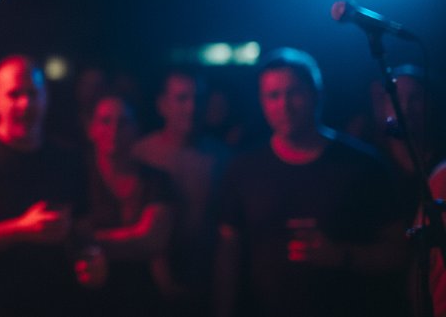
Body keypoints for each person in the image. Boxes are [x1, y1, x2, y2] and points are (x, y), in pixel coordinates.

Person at [214, 47, 407, 317]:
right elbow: (228, 256)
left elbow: (400, 253)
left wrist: (341, 255)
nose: (284, 105)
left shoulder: (363, 166)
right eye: (273, 95)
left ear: (317, 94)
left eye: (294, 92)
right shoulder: (243, 169)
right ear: (262, 101)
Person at [0, 55, 90, 316]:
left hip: (58, 302)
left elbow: (82, 227)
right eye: (14, 94)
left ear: (46, 97)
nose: (25, 104)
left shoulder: (67, 157)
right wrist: (20, 230)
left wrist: (91, 256)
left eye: (32, 93)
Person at [131, 68, 225, 313]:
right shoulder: (141, 154)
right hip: (144, 291)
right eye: (182, 98)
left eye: (198, 98)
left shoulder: (222, 158)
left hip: (207, 288)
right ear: (163, 105)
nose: (191, 107)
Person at [78, 93, 175, 316]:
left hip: (144, 300)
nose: (114, 130)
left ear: (136, 128)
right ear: (91, 128)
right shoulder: (77, 178)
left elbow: (151, 240)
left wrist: (90, 242)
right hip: (88, 302)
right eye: (105, 121)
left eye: (123, 122)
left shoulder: (157, 180)